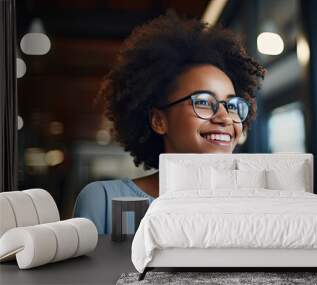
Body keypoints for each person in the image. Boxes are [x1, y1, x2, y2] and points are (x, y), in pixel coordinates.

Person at [73, 11, 265, 234]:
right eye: (203, 102)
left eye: (232, 106)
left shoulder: (251, 208)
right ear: (159, 120)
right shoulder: (105, 201)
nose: (224, 118)